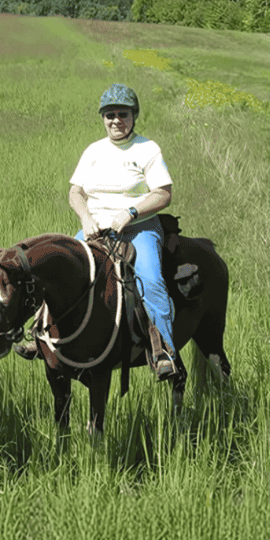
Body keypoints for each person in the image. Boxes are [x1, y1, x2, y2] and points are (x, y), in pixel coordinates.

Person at [67, 83, 180, 380]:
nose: (116, 120)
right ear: (103, 118)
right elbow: (75, 191)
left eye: (123, 114)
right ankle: (43, 337)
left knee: (150, 280)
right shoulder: (93, 150)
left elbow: (163, 194)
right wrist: (85, 216)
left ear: (134, 116)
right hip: (95, 229)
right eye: (110, 115)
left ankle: (164, 351)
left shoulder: (147, 149)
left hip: (138, 228)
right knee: (62, 268)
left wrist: (131, 213)